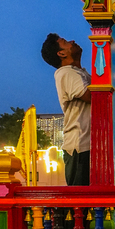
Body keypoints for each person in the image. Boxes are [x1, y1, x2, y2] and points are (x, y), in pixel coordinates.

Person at [41, 33, 91, 186]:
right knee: (82, 201)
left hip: (85, 144)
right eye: (66, 42)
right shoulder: (67, 73)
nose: (72, 41)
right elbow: (92, 96)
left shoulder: (78, 72)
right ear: (61, 53)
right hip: (80, 146)